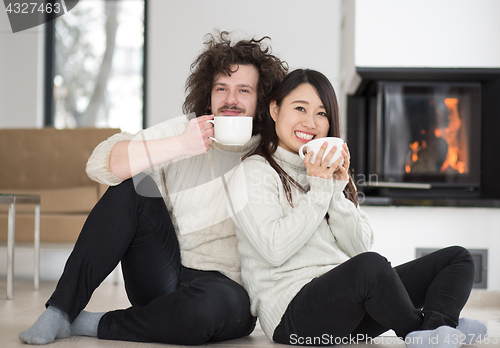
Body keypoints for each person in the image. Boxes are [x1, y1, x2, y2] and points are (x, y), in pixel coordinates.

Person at [19, 31, 288, 345]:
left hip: (226, 291)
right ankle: (62, 311)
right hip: (164, 272)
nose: (231, 99)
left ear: (262, 101)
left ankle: (93, 323)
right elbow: (101, 164)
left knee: (209, 308)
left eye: (244, 90)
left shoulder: (273, 153)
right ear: (209, 94)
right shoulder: (186, 131)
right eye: (221, 88)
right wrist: (180, 144)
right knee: (132, 183)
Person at [226, 69, 487, 347]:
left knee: (457, 258)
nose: (311, 122)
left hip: (351, 310)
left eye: (322, 114)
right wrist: (320, 188)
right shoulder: (253, 172)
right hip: (292, 317)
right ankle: (420, 330)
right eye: (300, 108)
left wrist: (336, 192)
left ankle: (439, 326)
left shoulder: (323, 173)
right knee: (370, 267)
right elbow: (274, 249)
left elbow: (360, 249)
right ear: (275, 110)